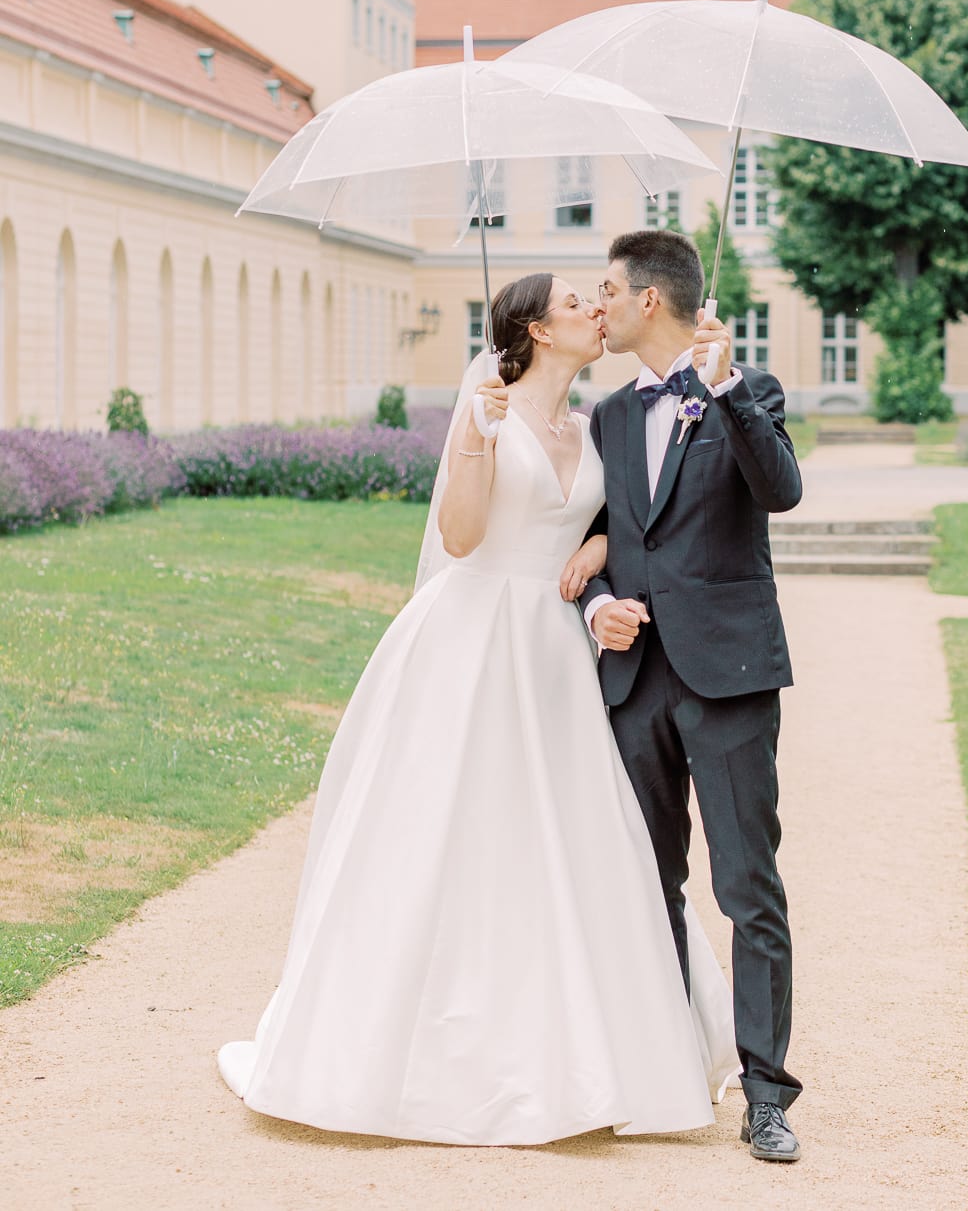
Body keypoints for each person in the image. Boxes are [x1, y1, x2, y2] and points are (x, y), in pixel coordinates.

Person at [216, 272, 736, 1145]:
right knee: (453, 829)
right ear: (534, 327)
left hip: (555, 653)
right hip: (471, 635)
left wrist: (603, 537)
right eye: (575, 303)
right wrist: (475, 439)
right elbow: (459, 539)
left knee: (568, 837)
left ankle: (587, 1048)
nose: (592, 310)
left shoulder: (592, 423)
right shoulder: (484, 408)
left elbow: (616, 517)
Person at [583, 229, 805, 1163]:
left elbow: (782, 490)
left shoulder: (746, 391)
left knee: (746, 886)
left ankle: (765, 1094)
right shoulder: (603, 417)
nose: (595, 305)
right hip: (635, 683)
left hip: (729, 676)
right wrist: (597, 605)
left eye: (606, 289)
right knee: (647, 886)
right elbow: (591, 536)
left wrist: (724, 388)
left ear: (649, 302)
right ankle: (667, 1067)